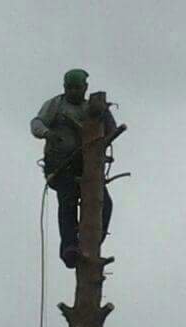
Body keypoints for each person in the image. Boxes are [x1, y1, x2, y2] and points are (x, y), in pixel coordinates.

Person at [30, 69, 117, 268]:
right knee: (67, 201)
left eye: (77, 88)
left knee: (104, 204)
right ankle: (69, 247)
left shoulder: (90, 108)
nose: (73, 92)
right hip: (62, 166)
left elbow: (110, 130)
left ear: (85, 88)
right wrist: (47, 134)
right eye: (70, 88)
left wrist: (105, 112)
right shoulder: (57, 105)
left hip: (86, 167)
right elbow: (36, 123)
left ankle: (92, 242)